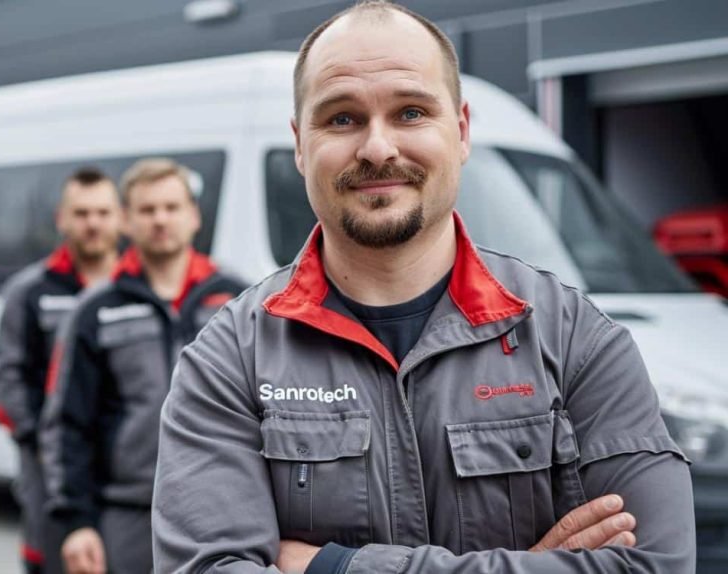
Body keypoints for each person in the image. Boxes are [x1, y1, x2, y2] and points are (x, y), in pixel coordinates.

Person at [152, 2, 696, 573]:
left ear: (460, 131)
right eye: (342, 118)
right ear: (300, 144)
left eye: (410, 112)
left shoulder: (574, 340)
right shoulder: (230, 358)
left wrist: (334, 567)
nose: (377, 148)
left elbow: (657, 566)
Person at [39, 158, 247, 574]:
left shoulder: (237, 301)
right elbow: (66, 425)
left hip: (225, 512)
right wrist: (77, 523)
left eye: (171, 207)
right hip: (127, 515)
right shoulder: (95, 310)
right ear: (126, 221)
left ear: (193, 216)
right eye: (147, 210)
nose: (160, 219)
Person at [0, 167, 122, 574]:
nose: (93, 223)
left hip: (125, 476)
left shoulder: (138, 291)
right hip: (51, 477)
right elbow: (7, 381)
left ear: (120, 218)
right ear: (61, 219)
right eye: (81, 213)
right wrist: (49, 443)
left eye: (102, 212)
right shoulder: (29, 292)